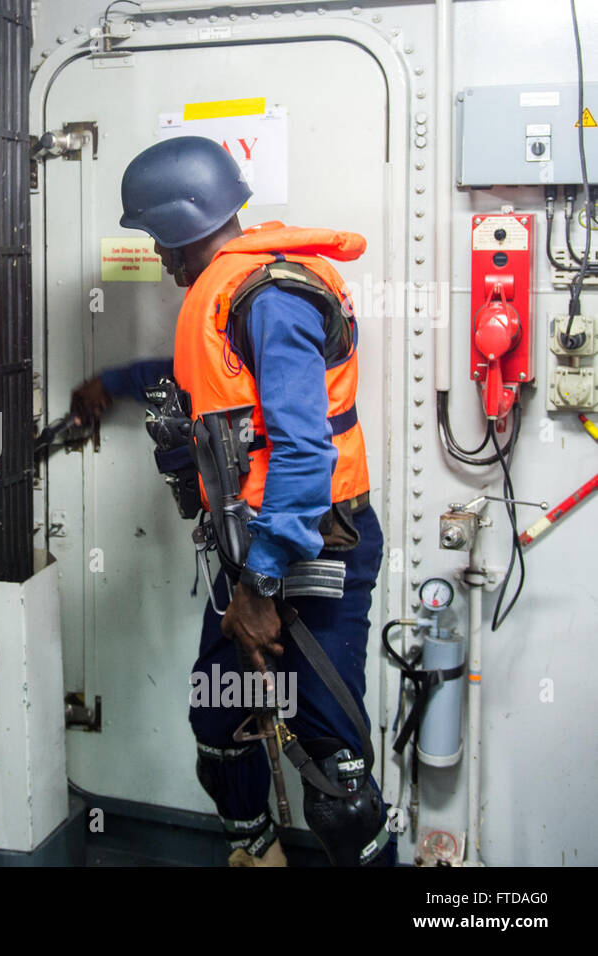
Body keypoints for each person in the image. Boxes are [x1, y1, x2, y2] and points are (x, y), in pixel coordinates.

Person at [72, 136, 394, 867]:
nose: (157, 255)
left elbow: (305, 455)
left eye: (158, 238)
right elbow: (207, 380)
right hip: (252, 552)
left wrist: (260, 586)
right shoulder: (227, 295)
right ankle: (256, 854)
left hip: (316, 548)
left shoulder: (270, 297)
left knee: (337, 773)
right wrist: (115, 381)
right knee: (219, 722)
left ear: (184, 225)